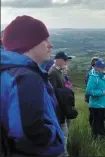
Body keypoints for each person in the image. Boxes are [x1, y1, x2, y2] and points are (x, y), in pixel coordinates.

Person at [0, 15, 64, 156]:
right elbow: (29, 131)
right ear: (28, 43)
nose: (50, 44)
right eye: (44, 39)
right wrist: (53, 135)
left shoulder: (9, 71)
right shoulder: (26, 77)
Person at [48, 51, 76, 157]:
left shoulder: (59, 71)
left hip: (63, 108)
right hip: (59, 110)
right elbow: (53, 93)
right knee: (63, 134)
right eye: (65, 59)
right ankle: (63, 153)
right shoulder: (53, 72)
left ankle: (64, 152)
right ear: (58, 59)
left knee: (65, 133)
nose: (66, 62)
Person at [85, 59, 105, 139]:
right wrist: (101, 92)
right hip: (96, 105)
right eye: (101, 67)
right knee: (96, 123)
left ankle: (101, 137)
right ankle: (96, 139)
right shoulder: (93, 77)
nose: (103, 69)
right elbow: (88, 91)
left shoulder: (102, 76)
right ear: (96, 67)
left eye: (103, 67)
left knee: (101, 121)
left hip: (102, 104)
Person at [85, 57, 101, 128]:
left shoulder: (91, 72)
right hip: (94, 97)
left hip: (92, 97)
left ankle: (94, 129)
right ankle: (94, 131)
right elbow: (90, 88)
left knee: (93, 114)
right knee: (94, 114)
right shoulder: (92, 74)